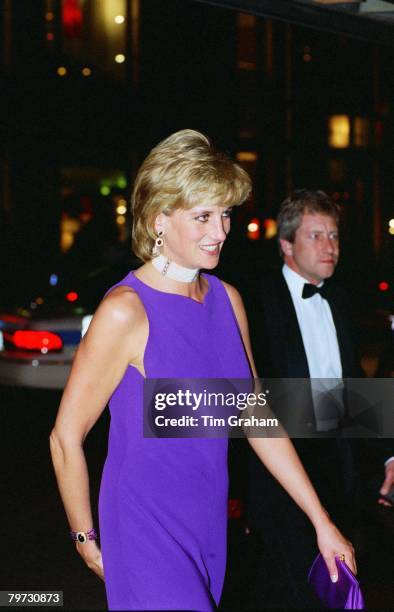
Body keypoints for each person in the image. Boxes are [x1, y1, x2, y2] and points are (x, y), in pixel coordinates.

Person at [50, 134, 355, 611]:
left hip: (209, 523)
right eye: (203, 217)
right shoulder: (126, 310)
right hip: (144, 526)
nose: (221, 230)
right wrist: (84, 535)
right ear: (159, 221)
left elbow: (257, 418)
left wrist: (321, 521)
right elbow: (66, 436)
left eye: (225, 214)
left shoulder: (228, 301)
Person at [246, 189, 363, 609]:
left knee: (334, 584)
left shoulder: (342, 298)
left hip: (340, 468)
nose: (330, 247)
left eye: (333, 235)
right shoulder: (256, 303)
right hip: (284, 468)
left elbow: (354, 386)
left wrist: (387, 458)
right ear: (286, 245)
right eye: (316, 236)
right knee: (290, 585)